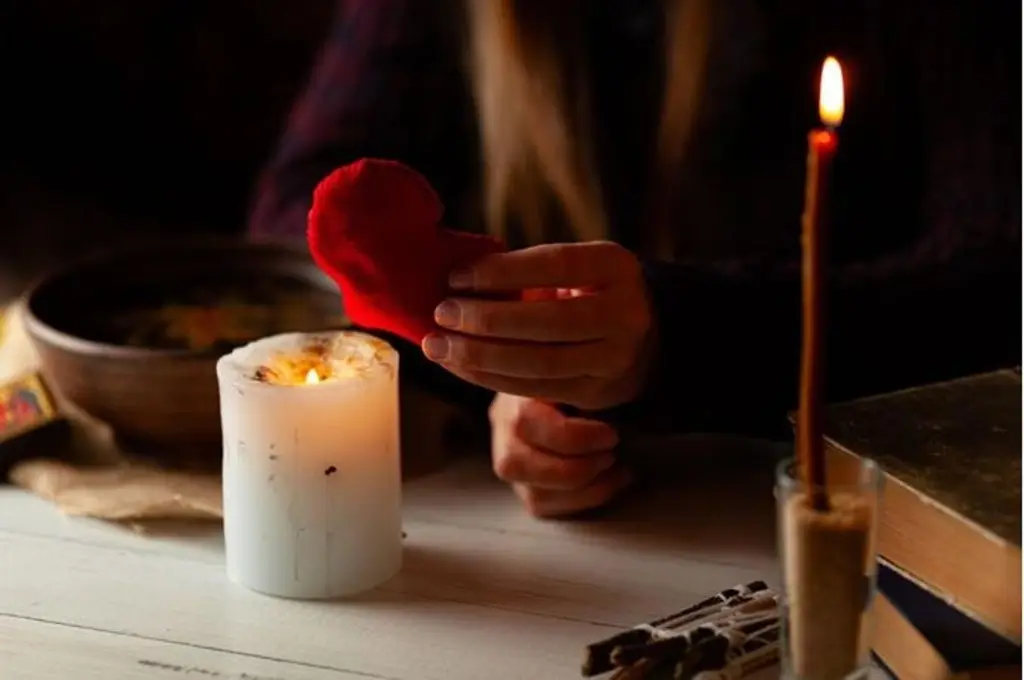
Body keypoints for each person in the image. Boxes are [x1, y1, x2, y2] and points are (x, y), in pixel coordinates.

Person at [248, 0, 1020, 517]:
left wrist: (677, 339)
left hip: (856, 520)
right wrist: (503, 370)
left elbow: (996, 278)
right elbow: (293, 230)